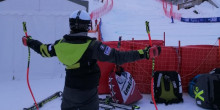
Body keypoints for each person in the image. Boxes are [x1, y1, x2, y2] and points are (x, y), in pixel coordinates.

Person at [22, 10, 161, 110]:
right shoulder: (93, 46)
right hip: (88, 95)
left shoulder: (59, 45)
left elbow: (43, 50)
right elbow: (119, 57)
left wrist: (29, 41)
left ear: (71, 26)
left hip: (69, 93)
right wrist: (145, 53)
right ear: (88, 26)